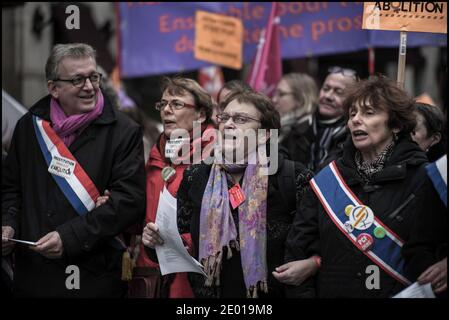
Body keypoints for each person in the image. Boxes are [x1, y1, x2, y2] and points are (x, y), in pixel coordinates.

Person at [1, 43, 146, 297]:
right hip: (34, 276)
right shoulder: (29, 127)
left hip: (93, 276)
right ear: (53, 88)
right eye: (78, 80)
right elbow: (11, 187)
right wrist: (8, 224)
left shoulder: (124, 132)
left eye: (93, 77)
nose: (89, 87)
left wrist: (69, 238)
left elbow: (128, 201)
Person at [283, 75, 447, 298]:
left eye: (369, 113)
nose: (356, 120)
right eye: (352, 114)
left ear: (396, 125)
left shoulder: (424, 180)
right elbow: (298, 252)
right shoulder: (328, 179)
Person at [146, 90, 315, 298]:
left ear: (264, 134)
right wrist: (156, 241)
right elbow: (179, 244)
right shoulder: (196, 177)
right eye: (224, 118)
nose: (228, 125)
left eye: (241, 119)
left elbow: (326, 243)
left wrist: (313, 263)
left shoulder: (292, 177)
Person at [135, 76, 216, 298]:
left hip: (193, 279)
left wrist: (183, 241)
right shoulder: (156, 156)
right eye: (163, 104)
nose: (166, 111)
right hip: (152, 275)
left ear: (200, 114)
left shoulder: (215, 157)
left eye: (177, 104)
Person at [282, 66, 357, 172]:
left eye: (339, 92)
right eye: (326, 89)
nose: (328, 96)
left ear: (351, 101)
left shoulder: (352, 137)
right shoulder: (298, 128)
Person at [272, 73, 318, 143]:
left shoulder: (306, 130)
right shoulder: (279, 125)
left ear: (300, 99)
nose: (274, 99)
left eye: (281, 94)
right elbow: (271, 153)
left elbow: (274, 153)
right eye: (275, 93)